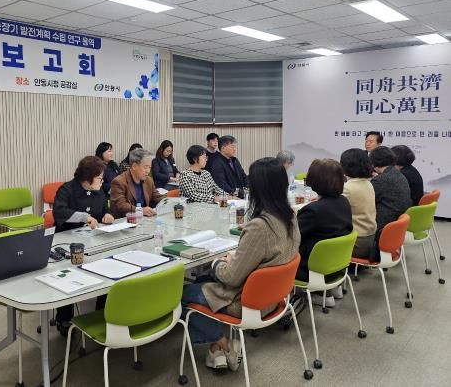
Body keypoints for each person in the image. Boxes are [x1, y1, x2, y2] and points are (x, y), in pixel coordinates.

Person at [181, 157, 300, 371]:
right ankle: (215, 351)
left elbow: (230, 277)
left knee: (182, 294)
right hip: (274, 297)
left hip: (247, 302)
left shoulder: (260, 227)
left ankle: (223, 343)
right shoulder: (290, 216)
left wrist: (218, 262)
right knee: (201, 281)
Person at [52, 156, 114, 335]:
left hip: (93, 241)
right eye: (100, 178)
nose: (102, 181)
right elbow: (59, 212)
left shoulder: (99, 190)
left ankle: (101, 313)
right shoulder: (67, 189)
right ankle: (64, 319)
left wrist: (108, 215)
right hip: (66, 242)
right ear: (88, 178)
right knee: (68, 276)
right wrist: (84, 217)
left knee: (107, 269)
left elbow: (105, 207)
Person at [296, 159, 353, 307]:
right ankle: (332, 289)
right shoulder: (344, 202)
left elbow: (292, 237)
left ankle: (320, 294)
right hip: (338, 266)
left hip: (311, 269)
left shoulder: (313, 210)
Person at [370, 146, 412, 255]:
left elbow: (365, 200)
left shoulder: (381, 180)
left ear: (374, 162)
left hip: (380, 228)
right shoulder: (399, 174)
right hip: (395, 226)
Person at [340, 149, 377, 259]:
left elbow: (330, 208)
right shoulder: (368, 183)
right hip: (370, 238)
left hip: (356, 243)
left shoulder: (348, 188)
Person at [110, 149, 163, 218]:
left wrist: (170, 202)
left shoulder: (148, 180)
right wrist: (140, 210)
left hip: (144, 219)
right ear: (134, 166)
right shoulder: (119, 181)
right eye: (145, 167)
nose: (148, 171)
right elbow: (121, 205)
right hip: (126, 220)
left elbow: (157, 197)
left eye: (149, 167)